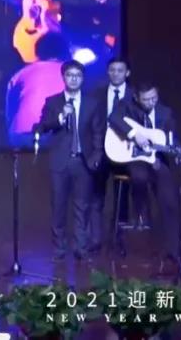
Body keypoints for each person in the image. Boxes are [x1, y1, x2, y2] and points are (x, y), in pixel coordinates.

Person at [107, 82, 181, 267]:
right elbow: (114, 118)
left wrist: (180, 152)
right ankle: (141, 212)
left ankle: (172, 250)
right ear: (137, 98)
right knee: (139, 176)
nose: (150, 103)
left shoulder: (166, 113)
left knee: (170, 200)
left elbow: (172, 140)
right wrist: (134, 134)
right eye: (146, 99)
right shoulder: (127, 106)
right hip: (135, 159)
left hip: (157, 160)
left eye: (154, 98)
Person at [35, 60, 102, 260]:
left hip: (83, 161)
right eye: (70, 75)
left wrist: (96, 156)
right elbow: (43, 126)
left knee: (82, 207)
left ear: (83, 79)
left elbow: (98, 132)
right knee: (58, 206)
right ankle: (59, 248)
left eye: (78, 76)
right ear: (63, 77)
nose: (74, 79)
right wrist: (61, 117)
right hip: (60, 161)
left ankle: (81, 248)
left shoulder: (92, 103)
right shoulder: (53, 102)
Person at [87, 58, 134, 255]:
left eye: (120, 70)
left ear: (127, 73)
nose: (116, 73)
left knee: (121, 197)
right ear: (108, 72)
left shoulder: (134, 96)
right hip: (100, 149)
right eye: (112, 70)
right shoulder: (96, 94)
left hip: (124, 150)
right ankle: (94, 240)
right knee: (96, 195)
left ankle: (118, 240)